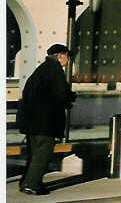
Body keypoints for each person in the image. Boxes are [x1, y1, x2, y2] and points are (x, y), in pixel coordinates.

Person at [17, 44, 77, 195]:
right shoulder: (55, 71)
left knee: (34, 153)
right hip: (45, 122)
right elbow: (60, 94)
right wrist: (70, 98)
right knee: (44, 153)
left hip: (32, 122)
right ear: (59, 56)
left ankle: (27, 182)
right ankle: (32, 184)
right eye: (67, 56)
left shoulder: (40, 70)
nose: (68, 60)